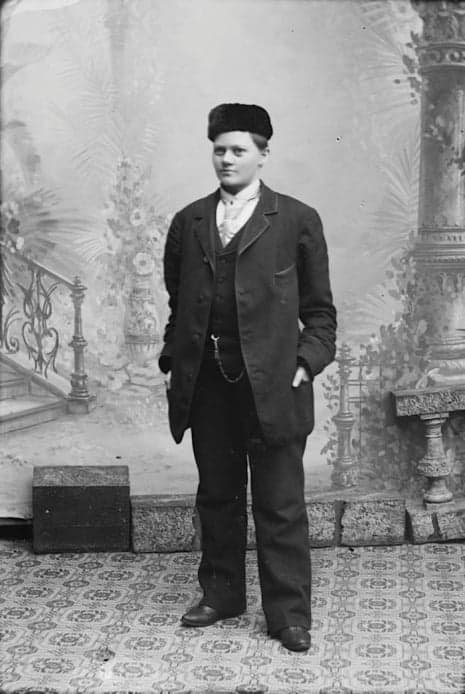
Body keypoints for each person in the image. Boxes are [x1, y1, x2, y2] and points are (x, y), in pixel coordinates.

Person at [159, 103, 336, 652]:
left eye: (239, 150)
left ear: (263, 154)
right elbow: (179, 305)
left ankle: (288, 614)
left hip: (276, 386)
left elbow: (321, 314)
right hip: (208, 384)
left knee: (280, 502)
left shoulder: (297, 219)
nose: (227, 159)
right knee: (217, 495)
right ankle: (222, 595)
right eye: (219, 150)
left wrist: (305, 363)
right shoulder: (189, 222)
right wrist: (172, 362)